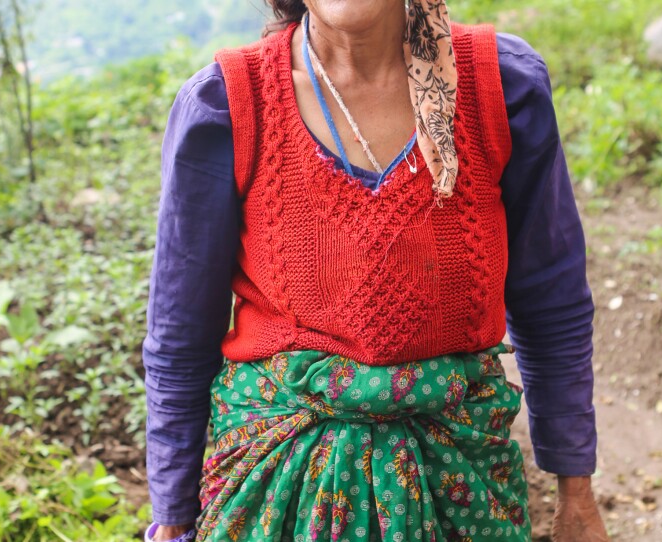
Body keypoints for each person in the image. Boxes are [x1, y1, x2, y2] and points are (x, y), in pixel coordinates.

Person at [142, 1, 609, 540]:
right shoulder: (227, 104)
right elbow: (180, 334)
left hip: (463, 491)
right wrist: (174, 518)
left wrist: (576, 492)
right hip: (272, 497)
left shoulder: (498, 86)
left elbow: (552, 298)